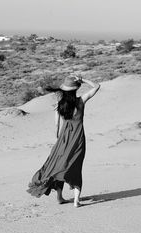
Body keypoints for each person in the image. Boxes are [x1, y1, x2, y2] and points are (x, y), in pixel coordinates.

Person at [27, 75, 101, 207]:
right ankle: (76, 201)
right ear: (76, 89)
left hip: (63, 141)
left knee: (59, 167)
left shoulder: (59, 106)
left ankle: (60, 197)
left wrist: (58, 141)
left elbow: (56, 126)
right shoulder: (81, 101)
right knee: (75, 167)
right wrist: (83, 79)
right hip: (78, 140)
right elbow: (97, 86)